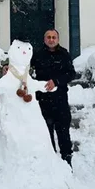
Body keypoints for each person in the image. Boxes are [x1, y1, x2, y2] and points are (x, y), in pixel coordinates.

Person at [30, 29, 76, 166]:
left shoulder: (64, 54)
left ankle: (67, 162)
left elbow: (71, 74)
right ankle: (50, 164)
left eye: (54, 37)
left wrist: (56, 81)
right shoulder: (37, 55)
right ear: (44, 39)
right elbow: (27, 71)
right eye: (48, 37)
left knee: (63, 133)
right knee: (45, 134)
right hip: (43, 101)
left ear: (58, 39)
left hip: (60, 99)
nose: (51, 40)